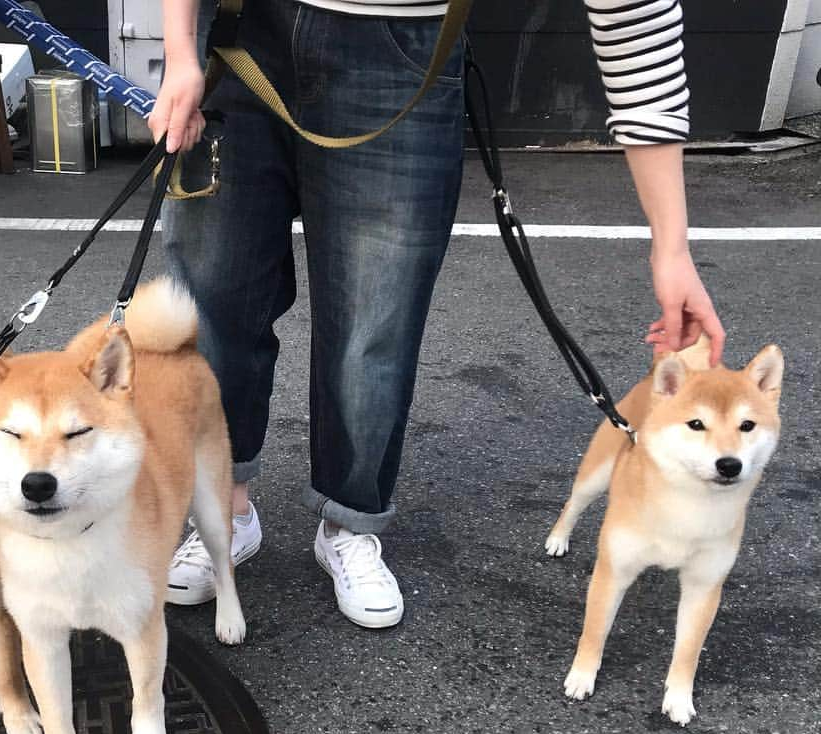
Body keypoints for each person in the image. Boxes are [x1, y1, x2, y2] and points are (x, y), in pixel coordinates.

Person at [150, 0, 725, 629]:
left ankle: (349, 521)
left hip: (405, 49)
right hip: (243, 33)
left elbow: (635, 17)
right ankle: (223, 512)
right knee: (215, 306)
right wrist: (179, 51)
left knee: (376, 321)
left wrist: (671, 245)